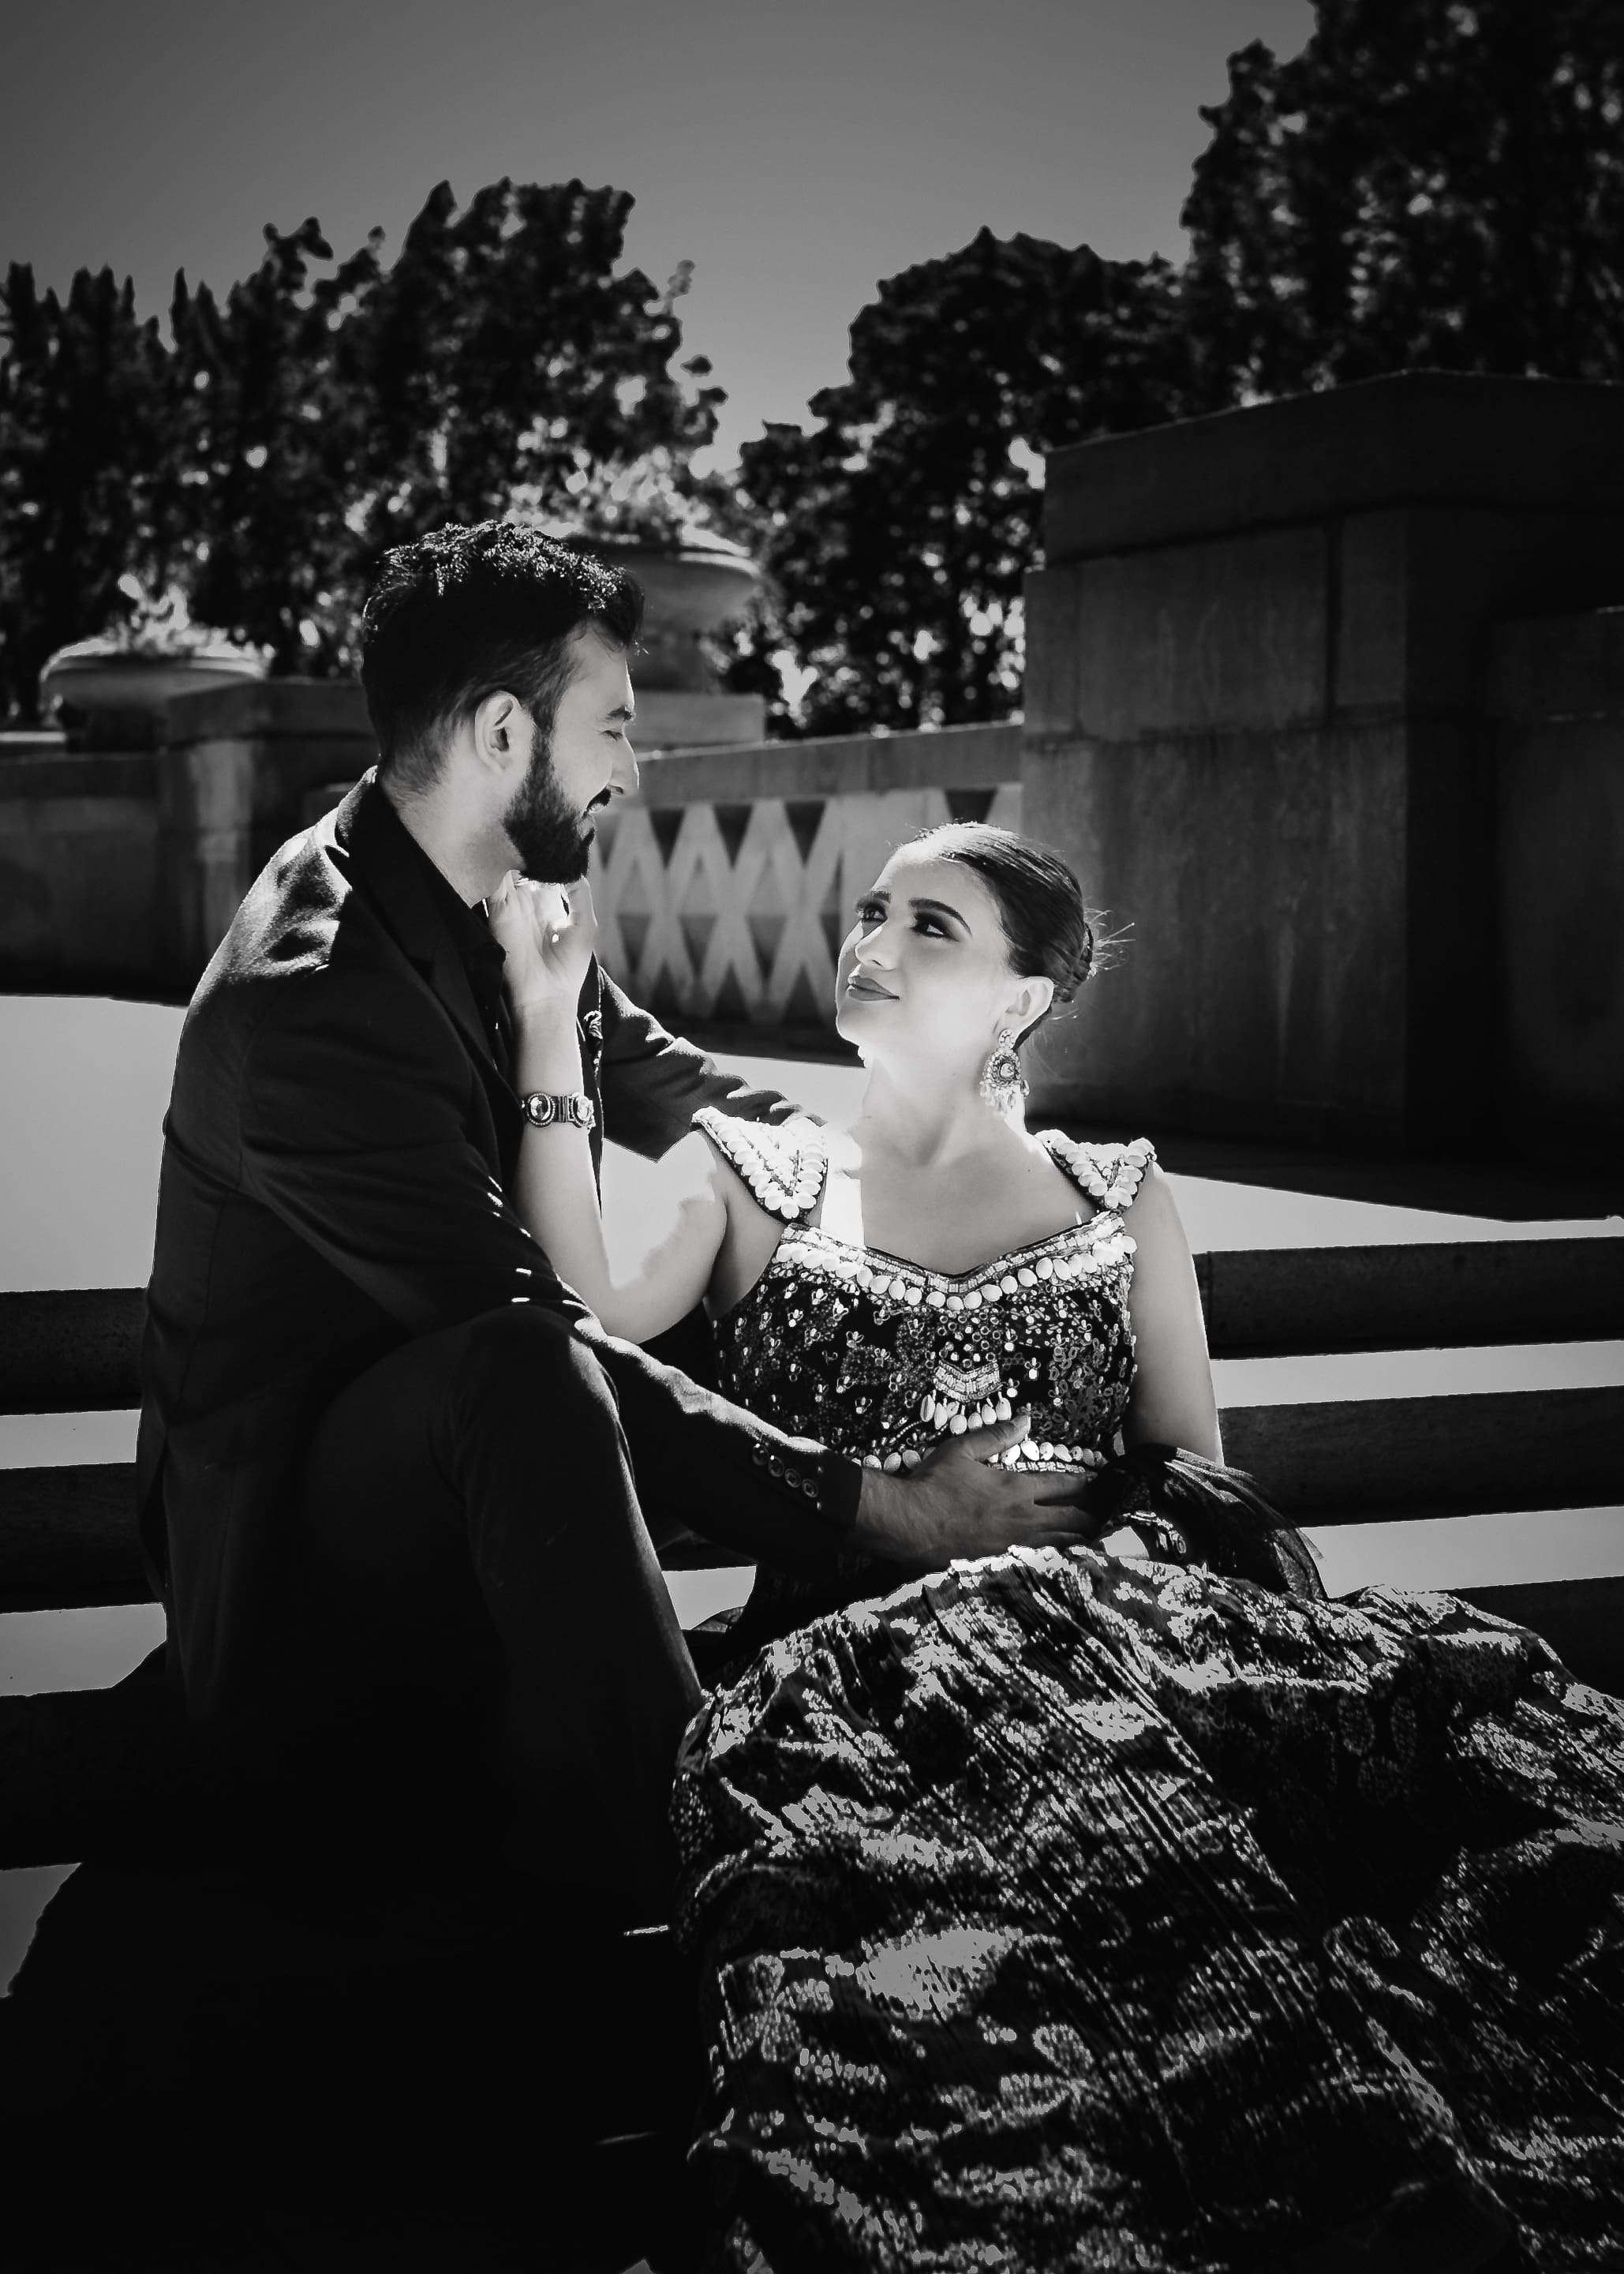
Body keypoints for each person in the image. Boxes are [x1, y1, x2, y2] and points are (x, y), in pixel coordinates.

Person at [491, 821, 1624, 2272]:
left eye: (931, 927)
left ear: (1023, 1000)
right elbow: (579, 1314)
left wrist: (1100, 1590)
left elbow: (1198, 1477)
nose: (873, 942)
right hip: (862, 1697)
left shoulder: (1118, 1191)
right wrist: (544, 1012)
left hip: (1130, 1654)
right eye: (872, 910)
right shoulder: (744, 1171)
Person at [134, 524, 1092, 1912]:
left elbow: (695, 1097)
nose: (635, 771)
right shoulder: (314, 995)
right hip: (298, 1564)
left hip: (471, 1474)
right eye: (617, 728)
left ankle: (894, 1682)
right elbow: (535, 1338)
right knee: (531, 1364)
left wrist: (941, 1174)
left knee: (764, 1245)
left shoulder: (492, 901)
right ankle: (709, 1874)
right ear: (506, 733)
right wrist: (891, 1504)